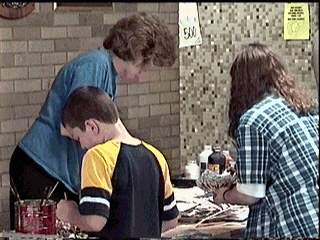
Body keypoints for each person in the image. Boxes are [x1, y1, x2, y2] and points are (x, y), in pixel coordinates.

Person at [9, 12, 177, 229]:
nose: (145, 76)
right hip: (41, 166)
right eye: (148, 68)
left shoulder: (108, 74)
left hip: (62, 171)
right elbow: (81, 128)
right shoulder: (94, 66)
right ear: (138, 54)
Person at [210, 43, 319, 238]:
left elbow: (250, 193)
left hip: (292, 225)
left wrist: (224, 196)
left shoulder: (253, 120)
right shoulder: (306, 108)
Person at [56, 86, 179, 238]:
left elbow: (95, 221)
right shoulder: (156, 156)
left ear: (91, 126)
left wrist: (69, 213)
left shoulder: (97, 156)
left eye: (77, 138)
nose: (82, 146)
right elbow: (171, 220)